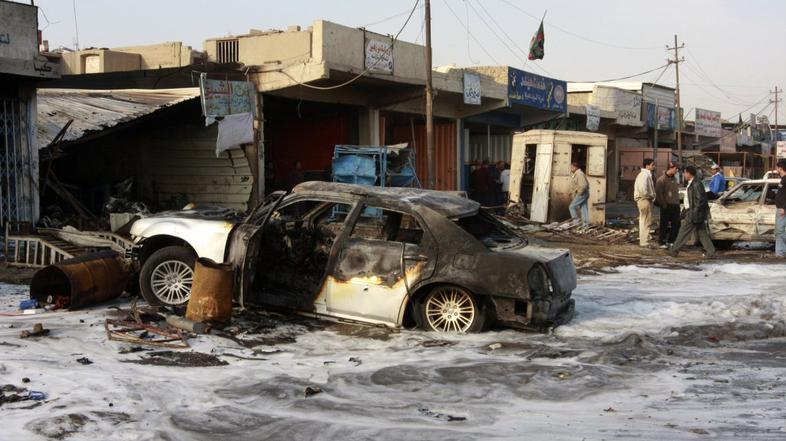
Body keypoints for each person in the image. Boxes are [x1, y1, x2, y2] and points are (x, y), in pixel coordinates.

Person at [669, 166, 716, 258]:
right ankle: (711, 251)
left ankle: (674, 250)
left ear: (689, 173)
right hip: (692, 212)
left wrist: (693, 213)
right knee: (701, 233)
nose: (684, 175)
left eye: (685, 172)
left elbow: (700, 200)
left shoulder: (696, 184)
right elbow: (689, 200)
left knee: (683, 232)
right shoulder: (691, 183)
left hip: (693, 213)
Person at [655, 162, 681, 248]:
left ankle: (671, 241)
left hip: (675, 205)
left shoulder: (675, 179)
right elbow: (659, 194)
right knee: (664, 224)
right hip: (666, 205)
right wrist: (664, 204)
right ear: (671, 168)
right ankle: (661, 242)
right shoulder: (661, 180)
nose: (677, 170)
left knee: (676, 224)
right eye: (676, 168)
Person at [634, 158, 656, 247]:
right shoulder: (644, 175)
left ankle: (643, 240)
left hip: (643, 199)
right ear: (647, 166)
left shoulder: (644, 175)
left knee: (644, 220)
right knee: (645, 221)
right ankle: (643, 241)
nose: (653, 166)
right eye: (652, 165)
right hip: (644, 199)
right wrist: (649, 196)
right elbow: (643, 189)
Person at [568, 161, 590, 226]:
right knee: (584, 208)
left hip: (582, 194)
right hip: (584, 193)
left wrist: (579, 193)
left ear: (575, 167)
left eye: (571, 167)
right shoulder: (577, 174)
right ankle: (585, 225)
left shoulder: (579, 174)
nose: (570, 169)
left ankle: (576, 223)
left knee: (571, 207)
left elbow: (584, 185)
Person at [774, 159, 786, 258]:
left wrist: (784, 208)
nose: (775, 169)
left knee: (780, 231)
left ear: (781, 168)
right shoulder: (782, 179)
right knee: (779, 231)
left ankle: (780, 253)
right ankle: (780, 252)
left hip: (782, 210)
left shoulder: (785, 179)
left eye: (777, 168)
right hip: (781, 208)